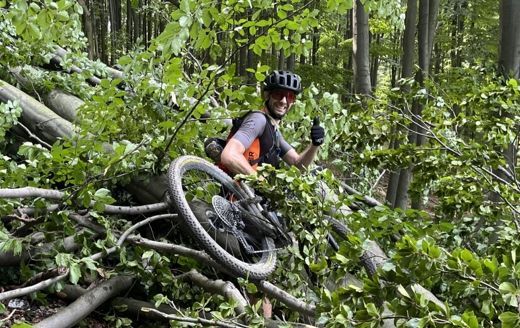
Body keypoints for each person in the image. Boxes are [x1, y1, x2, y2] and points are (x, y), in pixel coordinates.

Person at [219, 70, 325, 176]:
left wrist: (314, 145)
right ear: (267, 95)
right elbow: (229, 155)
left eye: (290, 97)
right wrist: (260, 183)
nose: (284, 101)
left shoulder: (273, 130)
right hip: (236, 191)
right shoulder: (258, 120)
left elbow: (297, 165)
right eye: (278, 94)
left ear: (293, 102)